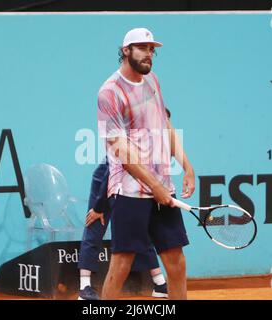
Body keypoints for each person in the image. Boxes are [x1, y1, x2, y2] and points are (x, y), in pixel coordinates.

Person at [98, 28, 195, 300]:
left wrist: (187, 166)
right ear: (126, 50)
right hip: (130, 190)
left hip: (163, 185)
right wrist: (154, 186)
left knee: (176, 260)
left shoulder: (152, 80)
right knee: (122, 263)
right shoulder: (109, 93)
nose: (149, 53)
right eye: (142, 47)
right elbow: (121, 151)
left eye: (152, 49)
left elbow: (165, 124)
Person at [77, 108, 173, 301]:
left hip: (131, 187)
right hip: (107, 179)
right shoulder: (131, 140)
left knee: (140, 229)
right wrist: (99, 206)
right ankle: (84, 287)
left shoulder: (159, 143)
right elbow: (110, 175)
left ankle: (160, 283)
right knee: (95, 224)